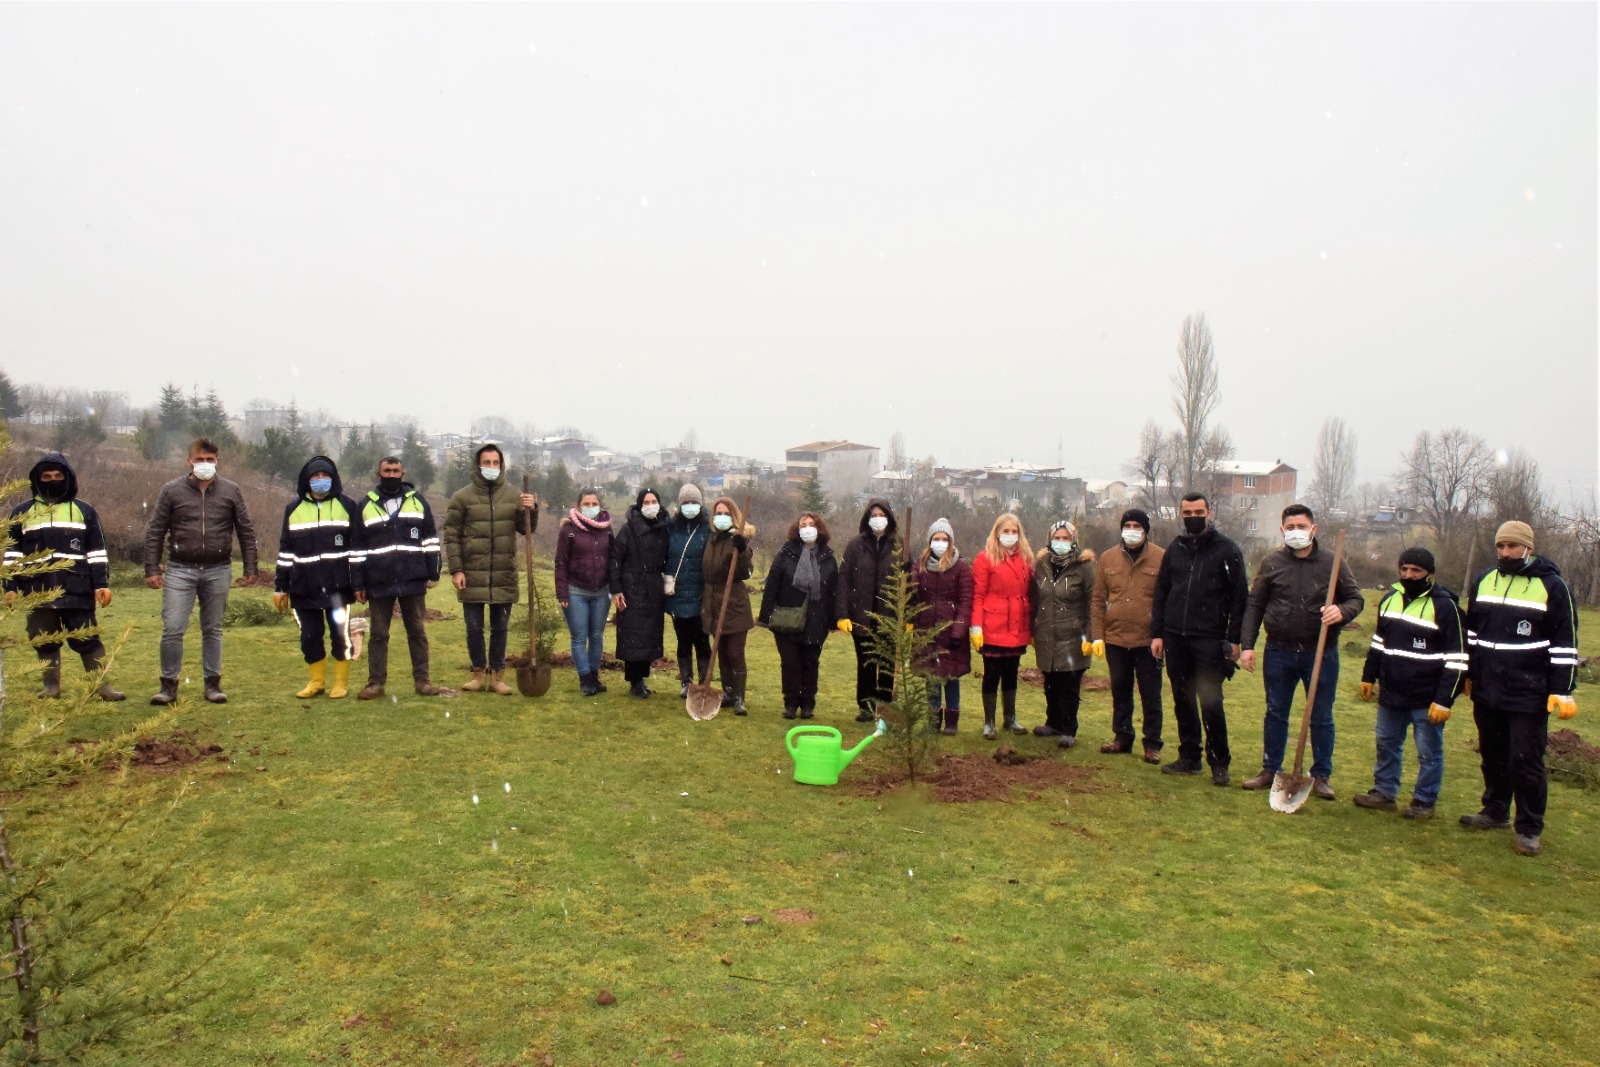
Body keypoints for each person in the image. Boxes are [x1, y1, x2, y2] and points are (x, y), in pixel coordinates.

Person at [1460, 520, 1579, 857]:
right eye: (1501, 546)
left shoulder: (1552, 586)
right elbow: (1472, 634)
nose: (1505, 552)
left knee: (1525, 760)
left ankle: (1528, 828)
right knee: (1492, 754)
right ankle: (1495, 810)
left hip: (1529, 691)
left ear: (1528, 548)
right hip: (1488, 687)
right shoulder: (1484, 580)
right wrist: (1469, 673)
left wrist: (1562, 689)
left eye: (1512, 546)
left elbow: (1565, 643)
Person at [1237, 504, 1364, 798]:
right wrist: (1247, 646)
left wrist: (1341, 612)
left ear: (1313, 529)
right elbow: (1255, 605)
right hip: (1279, 651)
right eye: (1291, 527)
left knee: (1321, 715)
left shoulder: (1333, 562)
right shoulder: (1271, 563)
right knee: (1275, 712)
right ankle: (1270, 769)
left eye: (1301, 527)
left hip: (1320, 652)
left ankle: (1321, 776)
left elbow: (1356, 599)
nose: (1296, 532)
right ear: (1282, 531)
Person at [144, 437, 260, 705]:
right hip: (179, 569)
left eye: (209, 460)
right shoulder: (171, 490)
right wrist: (152, 567)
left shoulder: (231, 490)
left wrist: (251, 566)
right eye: (199, 459)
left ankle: (213, 685)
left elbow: (245, 530)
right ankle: (168, 686)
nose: (204, 464)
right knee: (173, 628)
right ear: (189, 461)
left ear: (217, 461)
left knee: (213, 629)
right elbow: (155, 530)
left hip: (218, 569)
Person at [1352, 547, 1467, 820]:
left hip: (1427, 696)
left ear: (1430, 573)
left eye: (1416, 570)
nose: (1409, 575)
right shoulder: (1389, 599)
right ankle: (1384, 793)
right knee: (1386, 743)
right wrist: (1368, 676)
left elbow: (1458, 658)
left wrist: (1445, 699)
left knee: (1428, 752)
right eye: (1404, 569)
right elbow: (1378, 643)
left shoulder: (1446, 607)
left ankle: (1424, 800)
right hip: (1391, 691)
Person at [3, 453, 122, 701]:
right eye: (46, 476)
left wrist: (101, 584)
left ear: (68, 478)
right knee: (44, 640)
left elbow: (97, 552)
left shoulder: (84, 511)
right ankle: (51, 688)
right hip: (37, 592)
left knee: (88, 639)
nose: (52, 480)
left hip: (78, 589)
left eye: (58, 476)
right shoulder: (21, 513)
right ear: (37, 480)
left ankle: (103, 687)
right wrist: (10, 587)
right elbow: (12, 554)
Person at [1151, 492, 1247, 784]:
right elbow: (1162, 592)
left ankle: (1219, 762)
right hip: (1175, 637)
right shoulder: (1175, 548)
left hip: (1209, 638)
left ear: (1209, 512)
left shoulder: (1227, 550)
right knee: (1182, 699)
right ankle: (1189, 757)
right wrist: (1157, 633)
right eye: (1187, 513)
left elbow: (1239, 598)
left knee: (1210, 701)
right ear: (1181, 514)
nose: (1193, 517)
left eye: (1198, 512)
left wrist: (1234, 639)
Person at [442, 443, 536, 695]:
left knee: (500, 628)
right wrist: (456, 569)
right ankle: (477, 674)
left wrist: (531, 509)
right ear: (478, 465)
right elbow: (451, 535)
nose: (491, 467)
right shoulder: (462, 497)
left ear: (502, 466)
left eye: (496, 463)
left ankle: (497, 676)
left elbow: (526, 529)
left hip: (503, 572)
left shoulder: (514, 495)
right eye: (487, 463)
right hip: (472, 572)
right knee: (474, 628)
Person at [356, 456, 449, 700]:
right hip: (379, 580)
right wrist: (358, 583)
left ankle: (423, 681)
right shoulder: (365, 505)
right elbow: (357, 548)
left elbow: (430, 540)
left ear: (402, 473)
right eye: (387, 470)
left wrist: (433, 571)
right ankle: (376, 684)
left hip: (412, 579)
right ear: (379, 474)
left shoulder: (418, 502)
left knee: (417, 632)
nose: (391, 474)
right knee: (378, 634)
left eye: (395, 470)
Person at [272, 456, 366, 698]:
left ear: (333, 479)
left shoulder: (348, 506)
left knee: (339, 636)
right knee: (309, 636)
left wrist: (358, 582)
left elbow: (357, 549)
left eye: (326, 476)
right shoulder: (293, 509)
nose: (321, 480)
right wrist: (281, 586)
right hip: (303, 587)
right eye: (316, 476)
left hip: (337, 588)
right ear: (307, 479)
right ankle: (316, 681)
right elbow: (286, 551)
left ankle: (340, 683)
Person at [1090, 508, 1165, 763]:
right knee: (1120, 691)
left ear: (1146, 530)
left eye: (1137, 526)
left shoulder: (1161, 558)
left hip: (1148, 640)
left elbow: (1167, 599)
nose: (1131, 530)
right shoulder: (1108, 558)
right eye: (1127, 526)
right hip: (1116, 638)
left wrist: (1162, 635)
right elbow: (1097, 599)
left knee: (1150, 694)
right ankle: (1122, 737)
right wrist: (1097, 635)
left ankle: (1152, 744)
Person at [758, 512, 838, 719]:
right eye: (804, 525)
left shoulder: (828, 558)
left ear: (819, 529)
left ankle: (808, 704)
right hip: (787, 619)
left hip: (817, 620)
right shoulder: (785, 555)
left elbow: (833, 592)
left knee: (811, 662)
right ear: (797, 529)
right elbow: (772, 586)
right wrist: (764, 617)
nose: (808, 528)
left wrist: (834, 621)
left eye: (812, 524)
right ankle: (791, 703)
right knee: (790, 663)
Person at [1031, 520, 1096, 748]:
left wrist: (1090, 635)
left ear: (1073, 540)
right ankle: (1053, 722)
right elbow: (1035, 598)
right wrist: (1032, 628)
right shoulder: (1041, 565)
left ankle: (1068, 729)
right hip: (1046, 633)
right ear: (1049, 540)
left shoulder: (1084, 567)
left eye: (1065, 538)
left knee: (1070, 684)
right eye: (1056, 538)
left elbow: (1093, 602)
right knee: (1051, 682)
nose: (1061, 542)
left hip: (1074, 635)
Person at [836, 499, 901, 723]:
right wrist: (842, 614)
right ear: (867, 518)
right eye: (874, 515)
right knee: (866, 664)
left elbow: (909, 581)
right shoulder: (855, 545)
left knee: (886, 665)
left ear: (889, 518)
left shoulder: (899, 545)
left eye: (882, 515)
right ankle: (866, 706)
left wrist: (907, 615)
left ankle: (884, 706)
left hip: (889, 616)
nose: (878, 519)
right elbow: (844, 579)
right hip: (861, 615)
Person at [971, 513, 1034, 740]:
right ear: (997, 533)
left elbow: (1029, 593)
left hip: (1017, 625)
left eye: (1014, 531)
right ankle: (989, 722)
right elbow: (978, 595)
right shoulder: (985, 558)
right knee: (992, 674)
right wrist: (976, 626)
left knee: (1011, 673)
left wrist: (1031, 627)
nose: (1010, 535)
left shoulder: (1026, 558)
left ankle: (1010, 718)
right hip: (993, 625)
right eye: (1005, 531)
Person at [911, 518, 973, 735]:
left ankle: (952, 721)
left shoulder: (961, 566)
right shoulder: (920, 565)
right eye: (936, 539)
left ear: (950, 541)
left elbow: (966, 601)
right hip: (926, 628)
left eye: (944, 539)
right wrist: (907, 576)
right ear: (930, 541)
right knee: (931, 677)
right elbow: (913, 595)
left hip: (951, 629)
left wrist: (958, 631)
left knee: (951, 677)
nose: (940, 543)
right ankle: (933, 719)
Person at [609, 487, 671, 698]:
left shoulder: (664, 529)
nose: (650, 506)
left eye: (654, 501)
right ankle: (634, 680)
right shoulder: (628, 529)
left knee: (649, 636)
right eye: (646, 502)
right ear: (639, 505)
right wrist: (616, 589)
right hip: (632, 588)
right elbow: (615, 560)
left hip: (653, 588)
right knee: (633, 635)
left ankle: (642, 678)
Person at [554, 487, 613, 696]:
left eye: (594, 504)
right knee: (579, 636)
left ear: (600, 505)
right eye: (586, 504)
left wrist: (616, 588)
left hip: (602, 591)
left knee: (596, 635)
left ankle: (594, 677)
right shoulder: (568, 530)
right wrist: (562, 592)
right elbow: (560, 563)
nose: (590, 507)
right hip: (576, 590)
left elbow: (613, 560)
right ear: (578, 506)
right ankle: (585, 679)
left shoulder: (607, 529)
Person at [701, 497, 755, 714]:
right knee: (721, 652)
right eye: (718, 514)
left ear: (733, 516)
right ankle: (729, 692)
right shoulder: (712, 539)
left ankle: (740, 697)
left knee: (735, 653)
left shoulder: (738, 540)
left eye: (726, 514)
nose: (721, 518)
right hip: (714, 603)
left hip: (734, 604)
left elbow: (746, 572)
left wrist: (742, 552)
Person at [665, 484, 712, 698]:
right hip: (677, 592)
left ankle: (704, 681)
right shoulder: (671, 527)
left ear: (700, 504)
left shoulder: (709, 526)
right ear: (680, 504)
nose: (690, 506)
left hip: (701, 593)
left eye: (694, 502)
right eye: (686, 503)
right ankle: (686, 681)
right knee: (683, 640)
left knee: (702, 640)